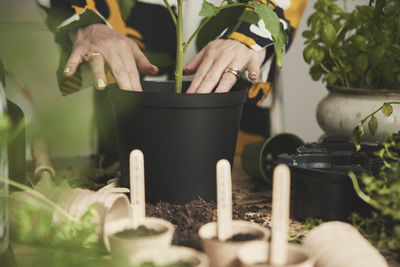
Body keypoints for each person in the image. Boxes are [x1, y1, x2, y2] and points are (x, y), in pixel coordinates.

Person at [36, 0, 307, 163]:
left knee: (238, 176)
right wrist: (85, 20)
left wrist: (253, 33)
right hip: (124, 40)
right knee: (126, 175)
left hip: (236, 47)